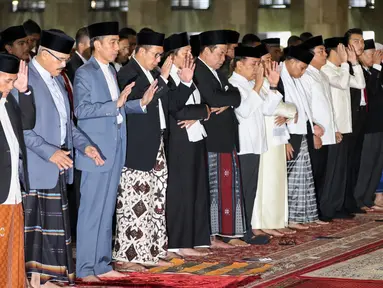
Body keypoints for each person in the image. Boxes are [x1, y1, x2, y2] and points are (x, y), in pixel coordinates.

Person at [22, 30, 103, 287]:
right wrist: (50, 152)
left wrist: (85, 146)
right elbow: (21, 129)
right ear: (43, 54)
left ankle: (49, 278)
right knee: (36, 229)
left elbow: (68, 125)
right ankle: (35, 280)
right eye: (60, 59)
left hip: (59, 163)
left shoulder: (57, 79)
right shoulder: (25, 80)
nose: (64, 64)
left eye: (66, 59)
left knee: (54, 229)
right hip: (37, 164)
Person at [74, 22, 153, 282]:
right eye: (112, 42)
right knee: (91, 211)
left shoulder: (112, 70)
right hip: (95, 150)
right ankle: (85, 268)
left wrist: (138, 103)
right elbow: (82, 111)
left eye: (118, 42)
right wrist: (115, 104)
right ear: (97, 44)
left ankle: (102, 264)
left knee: (108, 209)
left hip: (116, 147)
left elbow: (116, 108)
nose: (117, 47)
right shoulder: (85, 73)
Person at [113, 29, 171, 270]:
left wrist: (163, 77)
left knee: (154, 199)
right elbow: (135, 105)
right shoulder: (129, 72)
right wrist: (164, 80)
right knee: (133, 202)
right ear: (142, 51)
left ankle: (150, 249)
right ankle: (126, 257)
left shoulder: (150, 71)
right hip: (136, 147)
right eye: (156, 55)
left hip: (154, 143)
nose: (158, 60)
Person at [229, 44, 292, 240]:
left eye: (258, 64)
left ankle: (247, 231)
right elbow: (244, 111)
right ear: (239, 65)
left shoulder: (250, 84)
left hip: (256, 144)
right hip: (243, 145)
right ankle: (240, 233)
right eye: (253, 64)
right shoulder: (234, 84)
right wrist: (258, 84)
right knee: (242, 191)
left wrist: (272, 85)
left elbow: (268, 109)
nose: (257, 68)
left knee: (251, 190)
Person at [194, 30, 245, 248]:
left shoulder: (216, 72)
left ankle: (227, 231)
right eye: (220, 53)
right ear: (206, 51)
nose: (224, 58)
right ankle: (212, 235)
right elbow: (213, 98)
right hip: (211, 139)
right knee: (213, 188)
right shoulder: (198, 70)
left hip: (224, 137)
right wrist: (228, 99)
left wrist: (229, 100)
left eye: (225, 53)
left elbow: (236, 95)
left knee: (227, 187)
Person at [164, 32, 211, 257]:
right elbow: (176, 109)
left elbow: (205, 105)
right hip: (178, 140)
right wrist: (201, 111)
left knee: (197, 190)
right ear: (172, 57)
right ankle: (177, 243)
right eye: (185, 53)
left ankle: (196, 239)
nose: (189, 56)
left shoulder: (191, 76)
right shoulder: (168, 78)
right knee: (181, 192)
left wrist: (202, 112)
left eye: (190, 52)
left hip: (196, 137)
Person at [320, 37, 365, 220]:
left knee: (342, 170)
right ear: (335, 51)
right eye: (344, 50)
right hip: (334, 128)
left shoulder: (341, 69)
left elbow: (360, 84)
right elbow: (342, 83)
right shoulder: (326, 70)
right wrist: (347, 64)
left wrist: (354, 63)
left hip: (346, 127)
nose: (347, 53)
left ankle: (338, 205)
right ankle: (329, 207)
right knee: (333, 171)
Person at [0, 55, 35, 288]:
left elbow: (28, 123)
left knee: (13, 247)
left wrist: (24, 92)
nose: (10, 86)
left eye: (13, 81)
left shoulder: (9, 101)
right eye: (7, 81)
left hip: (13, 186)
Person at [279, 45, 322, 230]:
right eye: (302, 67)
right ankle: (289, 218)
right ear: (291, 62)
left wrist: (312, 125)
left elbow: (303, 107)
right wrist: (285, 140)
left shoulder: (295, 78)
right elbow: (278, 112)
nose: (303, 72)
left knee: (302, 177)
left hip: (301, 131)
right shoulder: (279, 77)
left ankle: (302, 215)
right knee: (288, 179)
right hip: (287, 134)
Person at [299, 35, 340, 222]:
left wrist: (335, 128)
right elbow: (305, 106)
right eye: (320, 51)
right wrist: (313, 130)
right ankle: (312, 212)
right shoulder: (306, 75)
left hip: (327, 131)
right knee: (314, 173)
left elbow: (329, 105)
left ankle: (321, 209)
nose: (325, 54)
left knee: (324, 173)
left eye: (324, 50)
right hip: (316, 133)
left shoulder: (321, 74)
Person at [353, 40, 383, 211]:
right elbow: (371, 90)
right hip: (367, 127)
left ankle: (367, 198)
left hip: (379, 125)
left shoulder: (375, 72)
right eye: (370, 54)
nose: (373, 58)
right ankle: (359, 198)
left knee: (377, 164)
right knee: (366, 164)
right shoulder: (362, 73)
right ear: (361, 55)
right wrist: (377, 68)